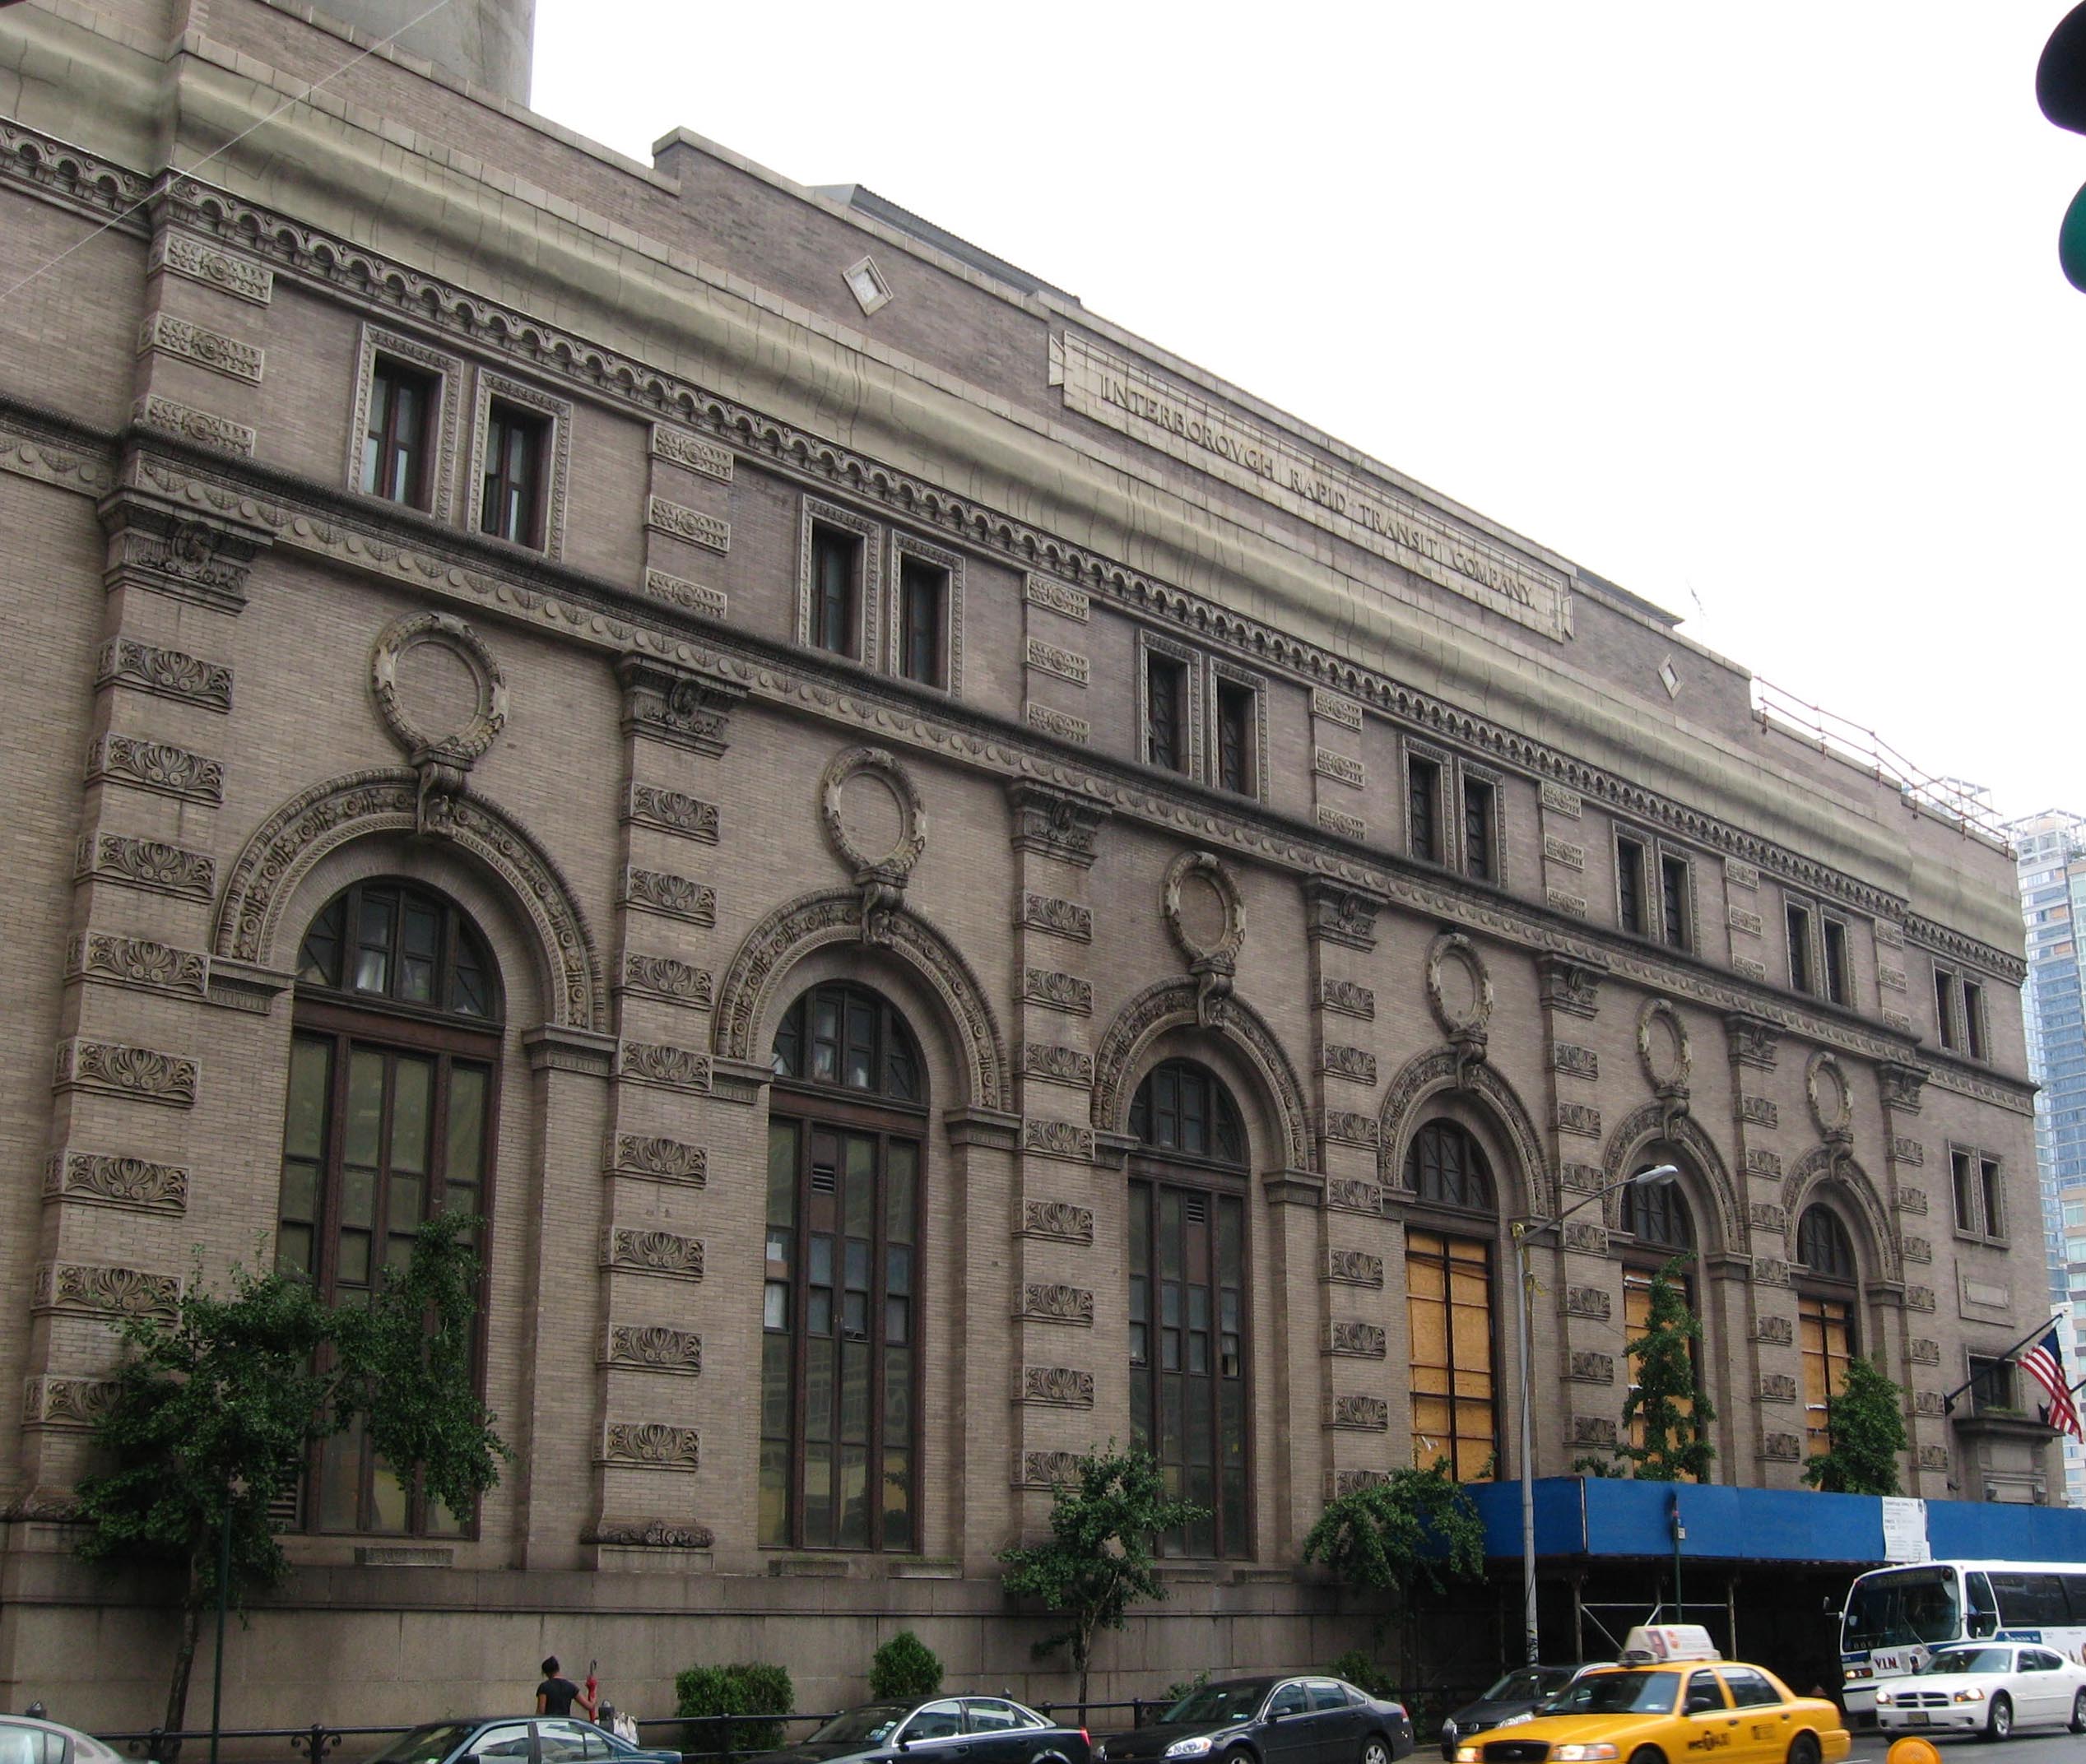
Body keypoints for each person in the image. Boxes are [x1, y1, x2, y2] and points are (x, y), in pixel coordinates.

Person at [537, 1656, 597, 1720]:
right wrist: (593, 1691)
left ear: (546, 1673)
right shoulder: (571, 1687)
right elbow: (589, 1706)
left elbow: (541, 1711)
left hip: (549, 1722)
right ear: (558, 1669)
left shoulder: (544, 1687)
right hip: (565, 1723)